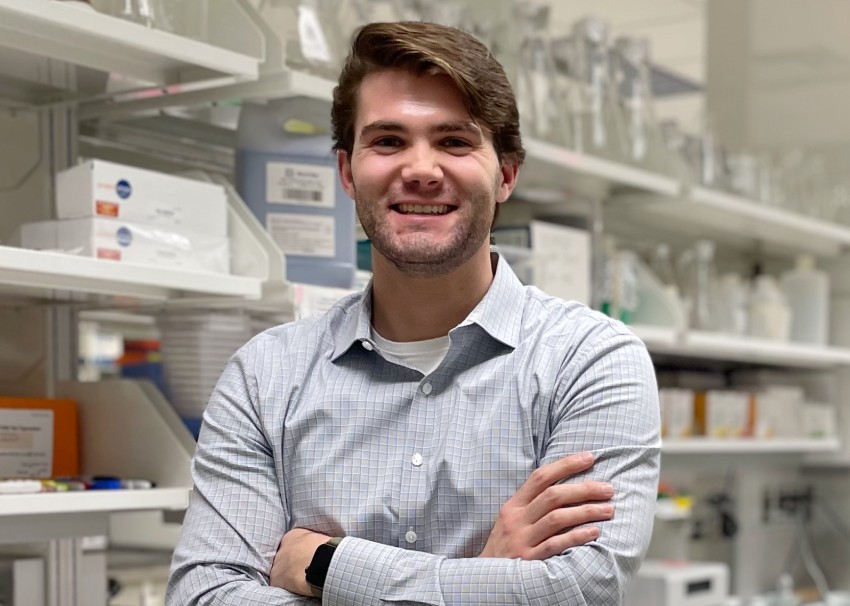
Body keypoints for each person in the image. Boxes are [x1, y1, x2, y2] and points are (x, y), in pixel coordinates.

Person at [166, 20, 660, 606]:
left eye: (454, 141)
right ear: (348, 172)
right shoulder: (264, 376)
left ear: (505, 173)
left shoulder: (591, 361)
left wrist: (327, 566)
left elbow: (581, 588)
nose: (422, 169)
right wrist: (485, 577)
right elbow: (205, 595)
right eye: (388, 141)